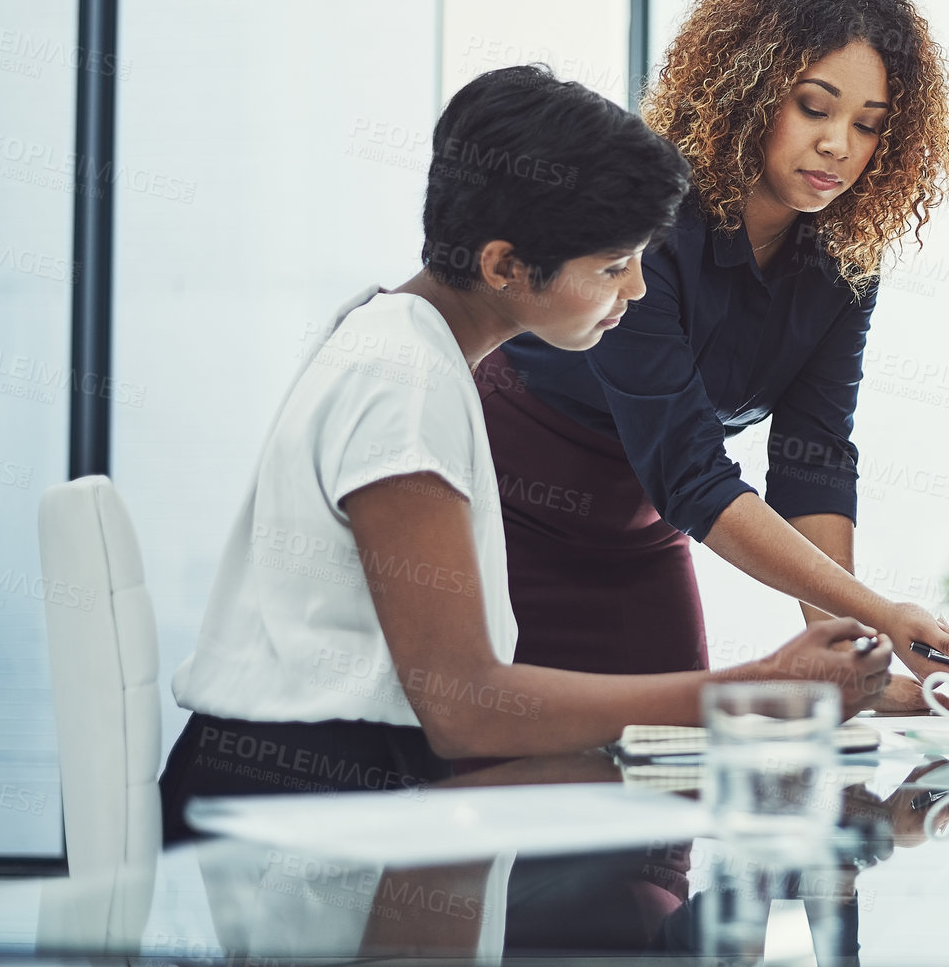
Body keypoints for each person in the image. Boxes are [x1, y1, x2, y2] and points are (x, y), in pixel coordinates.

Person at [159, 65, 891, 842]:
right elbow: (466, 710)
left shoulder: (417, 349)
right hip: (279, 810)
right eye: (613, 267)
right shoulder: (402, 381)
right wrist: (765, 688)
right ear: (505, 266)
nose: (639, 291)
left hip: (344, 790)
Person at [485, 0, 949, 699]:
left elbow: (814, 463)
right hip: (508, 513)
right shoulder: (652, 224)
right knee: (519, 769)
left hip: (640, 531)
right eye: (814, 107)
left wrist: (860, 659)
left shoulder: (842, 267)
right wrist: (879, 616)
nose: (840, 144)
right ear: (747, 91)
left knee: (666, 785)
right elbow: (689, 471)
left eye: (868, 126)